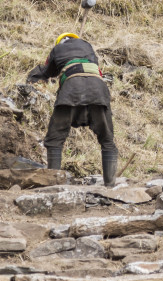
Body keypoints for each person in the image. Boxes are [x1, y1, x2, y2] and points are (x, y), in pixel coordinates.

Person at [27, 33, 118, 187]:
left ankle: (53, 183)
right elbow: (95, 69)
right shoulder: (88, 46)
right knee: (107, 140)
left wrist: (32, 79)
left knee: (55, 140)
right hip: (98, 89)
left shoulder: (58, 49)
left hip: (71, 90)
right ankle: (110, 185)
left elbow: (47, 71)